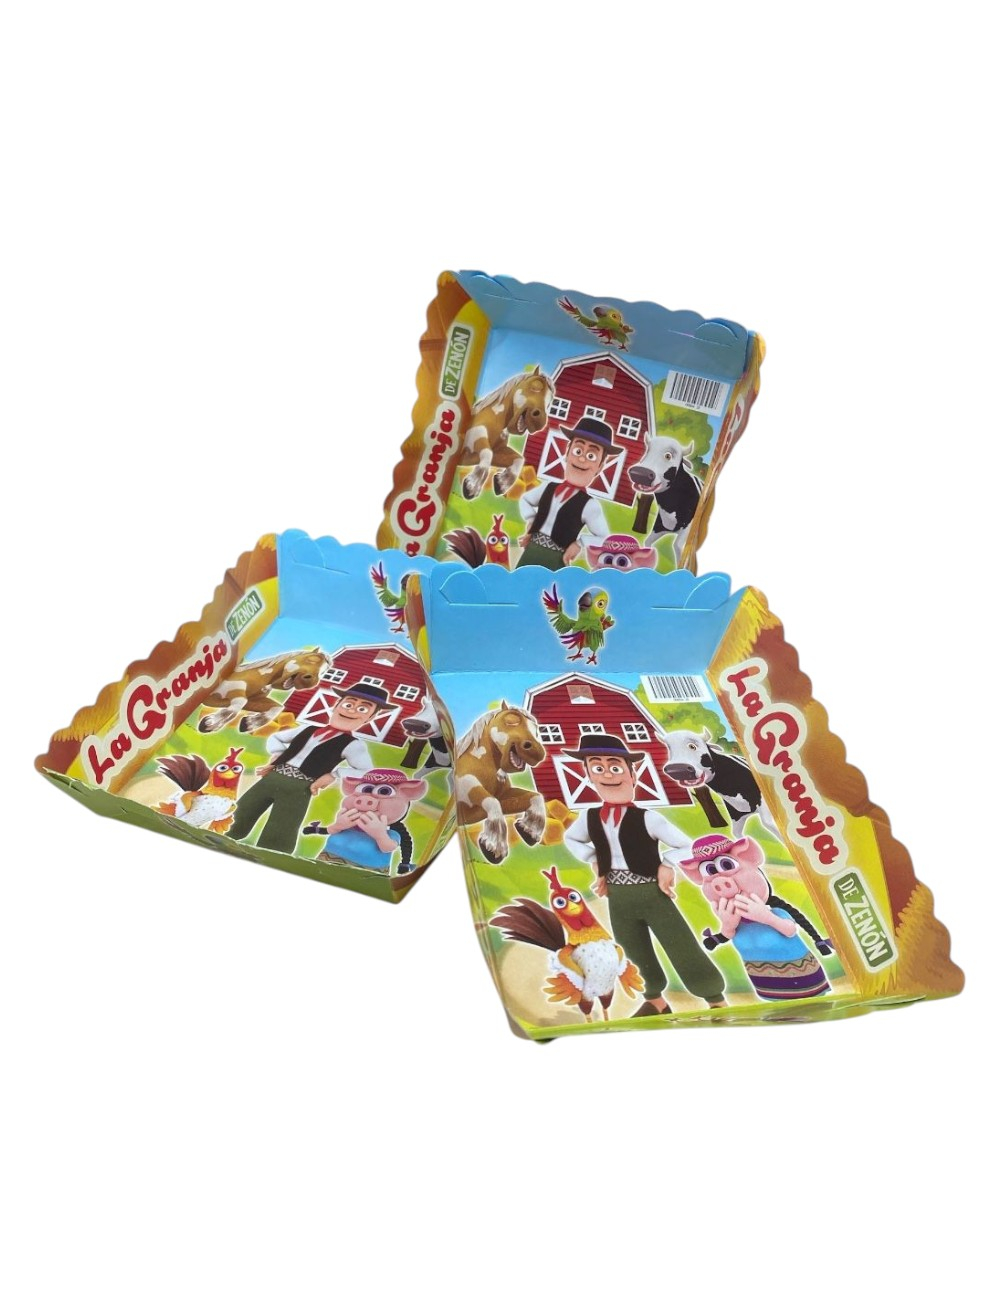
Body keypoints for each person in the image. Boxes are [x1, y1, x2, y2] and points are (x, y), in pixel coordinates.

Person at [562, 733, 726, 1016]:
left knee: (680, 945)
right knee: (633, 949)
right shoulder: (589, 816)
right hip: (617, 896)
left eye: (615, 767)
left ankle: (714, 999)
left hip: (651, 892)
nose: (607, 775)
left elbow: (686, 845)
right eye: (597, 767)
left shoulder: (648, 817)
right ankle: (655, 1001)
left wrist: (667, 864)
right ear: (588, 775)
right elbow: (571, 839)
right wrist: (593, 859)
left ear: (632, 774)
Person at [227, 684, 384, 853]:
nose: (351, 710)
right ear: (336, 705)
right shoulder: (308, 729)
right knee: (244, 809)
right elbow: (276, 738)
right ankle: (228, 833)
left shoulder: (353, 745)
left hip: (300, 788)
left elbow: (366, 771)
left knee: (283, 824)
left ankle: (271, 852)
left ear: (370, 718)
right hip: (272, 777)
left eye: (362, 709)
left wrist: (334, 774)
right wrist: (278, 754)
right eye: (348, 704)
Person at [516, 417, 618, 568]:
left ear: (600, 467)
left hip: (557, 558)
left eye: (591, 456)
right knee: (521, 577)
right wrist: (532, 520)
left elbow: (604, 538)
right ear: (567, 453)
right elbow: (525, 500)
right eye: (578, 451)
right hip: (532, 550)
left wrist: (580, 543)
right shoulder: (548, 487)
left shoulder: (590, 505)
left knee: (550, 584)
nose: (582, 458)